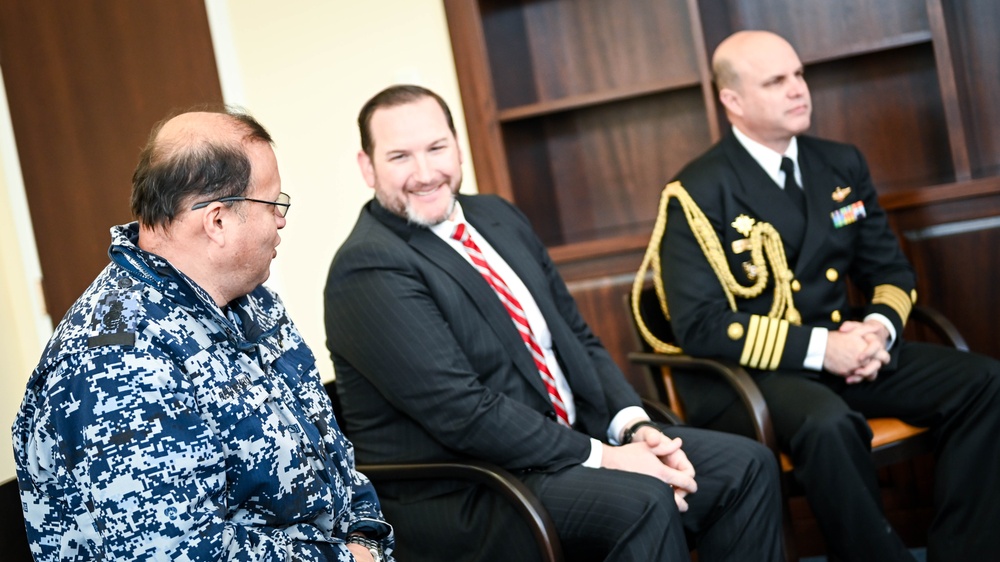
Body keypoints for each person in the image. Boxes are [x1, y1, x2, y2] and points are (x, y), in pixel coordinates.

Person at [323, 84, 783, 562]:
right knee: (644, 501)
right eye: (400, 156)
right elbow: (464, 413)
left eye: (437, 148)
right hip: (473, 485)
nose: (424, 173)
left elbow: (575, 336)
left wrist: (633, 428)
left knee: (745, 465)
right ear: (367, 167)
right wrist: (610, 459)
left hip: (562, 446)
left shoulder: (495, 215)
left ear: (458, 146)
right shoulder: (369, 267)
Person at [645, 30, 1000, 561]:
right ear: (733, 102)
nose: (798, 90)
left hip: (846, 352)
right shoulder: (696, 191)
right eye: (776, 81)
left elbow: (890, 271)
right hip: (752, 377)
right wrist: (822, 348)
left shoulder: (839, 164)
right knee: (829, 424)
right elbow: (701, 324)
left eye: (799, 75)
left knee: (983, 382)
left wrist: (876, 330)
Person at [12, 108, 393, 561]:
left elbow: (335, 464)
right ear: (217, 221)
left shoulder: (250, 302)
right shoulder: (115, 357)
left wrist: (367, 540)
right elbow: (175, 551)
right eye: (273, 204)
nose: (281, 221)